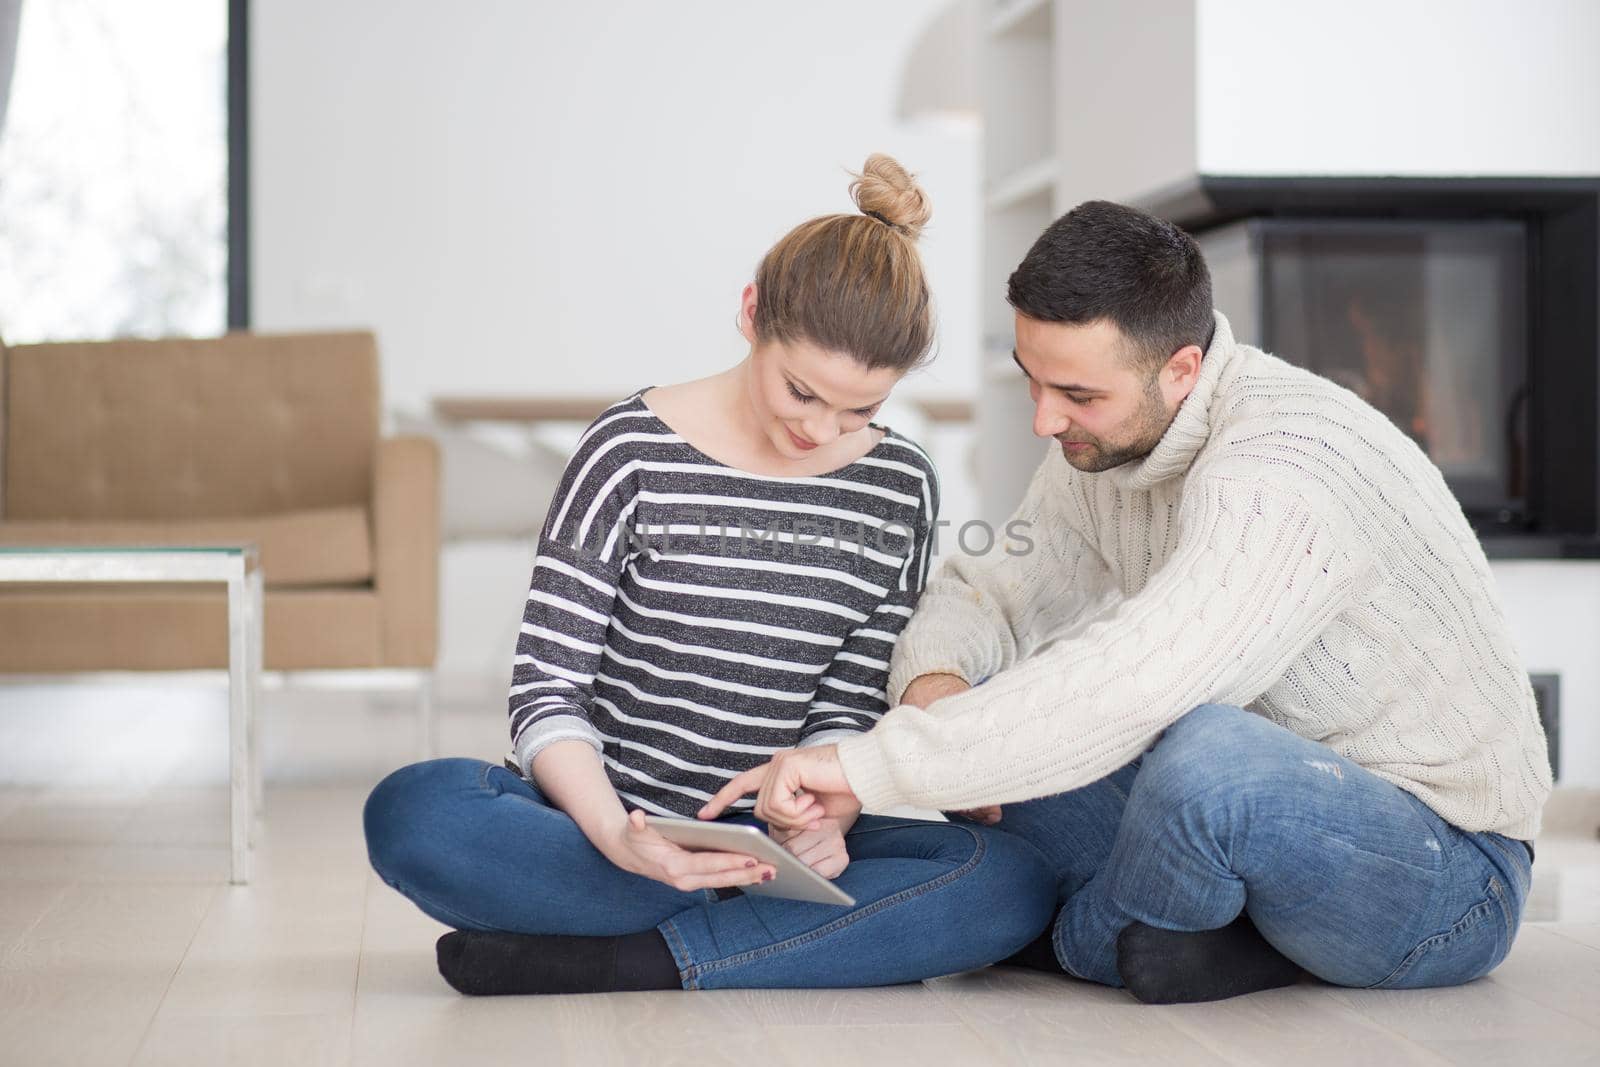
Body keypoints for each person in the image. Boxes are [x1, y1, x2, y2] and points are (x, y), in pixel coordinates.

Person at [701, 200, 1552, 1004]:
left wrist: (871, 766)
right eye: (1033, 381)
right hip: (1225, 813)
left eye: (1077, 395)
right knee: (1000, 721)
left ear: (1181, 369)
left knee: (1203, 757)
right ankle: (1182, 934)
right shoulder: (1106, 450)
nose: (1043, 420)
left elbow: (1145, 679)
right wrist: (938, 691)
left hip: (1449, 869)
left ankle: (1081, 941)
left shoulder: (1285, 464)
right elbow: (989, 592)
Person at [362, 155, 1057, 996]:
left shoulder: (897, 483)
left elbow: (845, 698)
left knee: (1010, 878)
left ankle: (633, 958)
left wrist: (828, 806)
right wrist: (619, 834)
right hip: (604, 828)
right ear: (751, 311)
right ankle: (780, 941)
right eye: (801, 391)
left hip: (774, 847)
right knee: (414, 812)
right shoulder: (628, 451)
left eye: (859, 410)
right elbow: (546, 691)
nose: (821, 428)